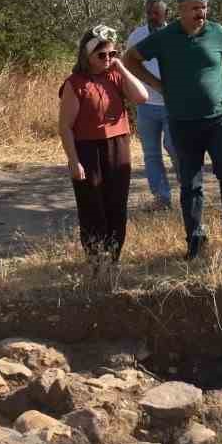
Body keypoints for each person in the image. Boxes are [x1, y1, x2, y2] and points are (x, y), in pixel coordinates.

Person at [124, 0, 222, 260]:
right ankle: (195, 238)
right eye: (195, 8)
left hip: (219, 119)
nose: (201, 13)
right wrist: (158, 86)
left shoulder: (218, 32)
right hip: (182, 122)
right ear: (180, 9)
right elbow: (130, 59)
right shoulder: (165, 37)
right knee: (190, 183)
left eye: (204, 7)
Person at [58, 25, 150, 280]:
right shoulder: (74, 83)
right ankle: (96, 259)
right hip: (87, 150)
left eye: (112, 54)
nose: (107, 59)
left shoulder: (115, 75)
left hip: (118, 146)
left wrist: (121, 67)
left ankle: (113, 257)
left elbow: (142, 96)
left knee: (116, 205)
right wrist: (74, 162)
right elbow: (64, 127)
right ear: (86, 56)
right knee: (92, 206)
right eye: (102, 56)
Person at [126, 0, 197, 211]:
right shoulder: (137, 35)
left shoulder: (176, 34)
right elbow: (127, 63)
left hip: (172, 104)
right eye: (149, 12)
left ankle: (188, 190)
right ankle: (162, 198)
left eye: (156, 12)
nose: (152, 16)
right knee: (151, 153)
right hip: (146, 104)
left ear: (166, 14)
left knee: (174, 147)